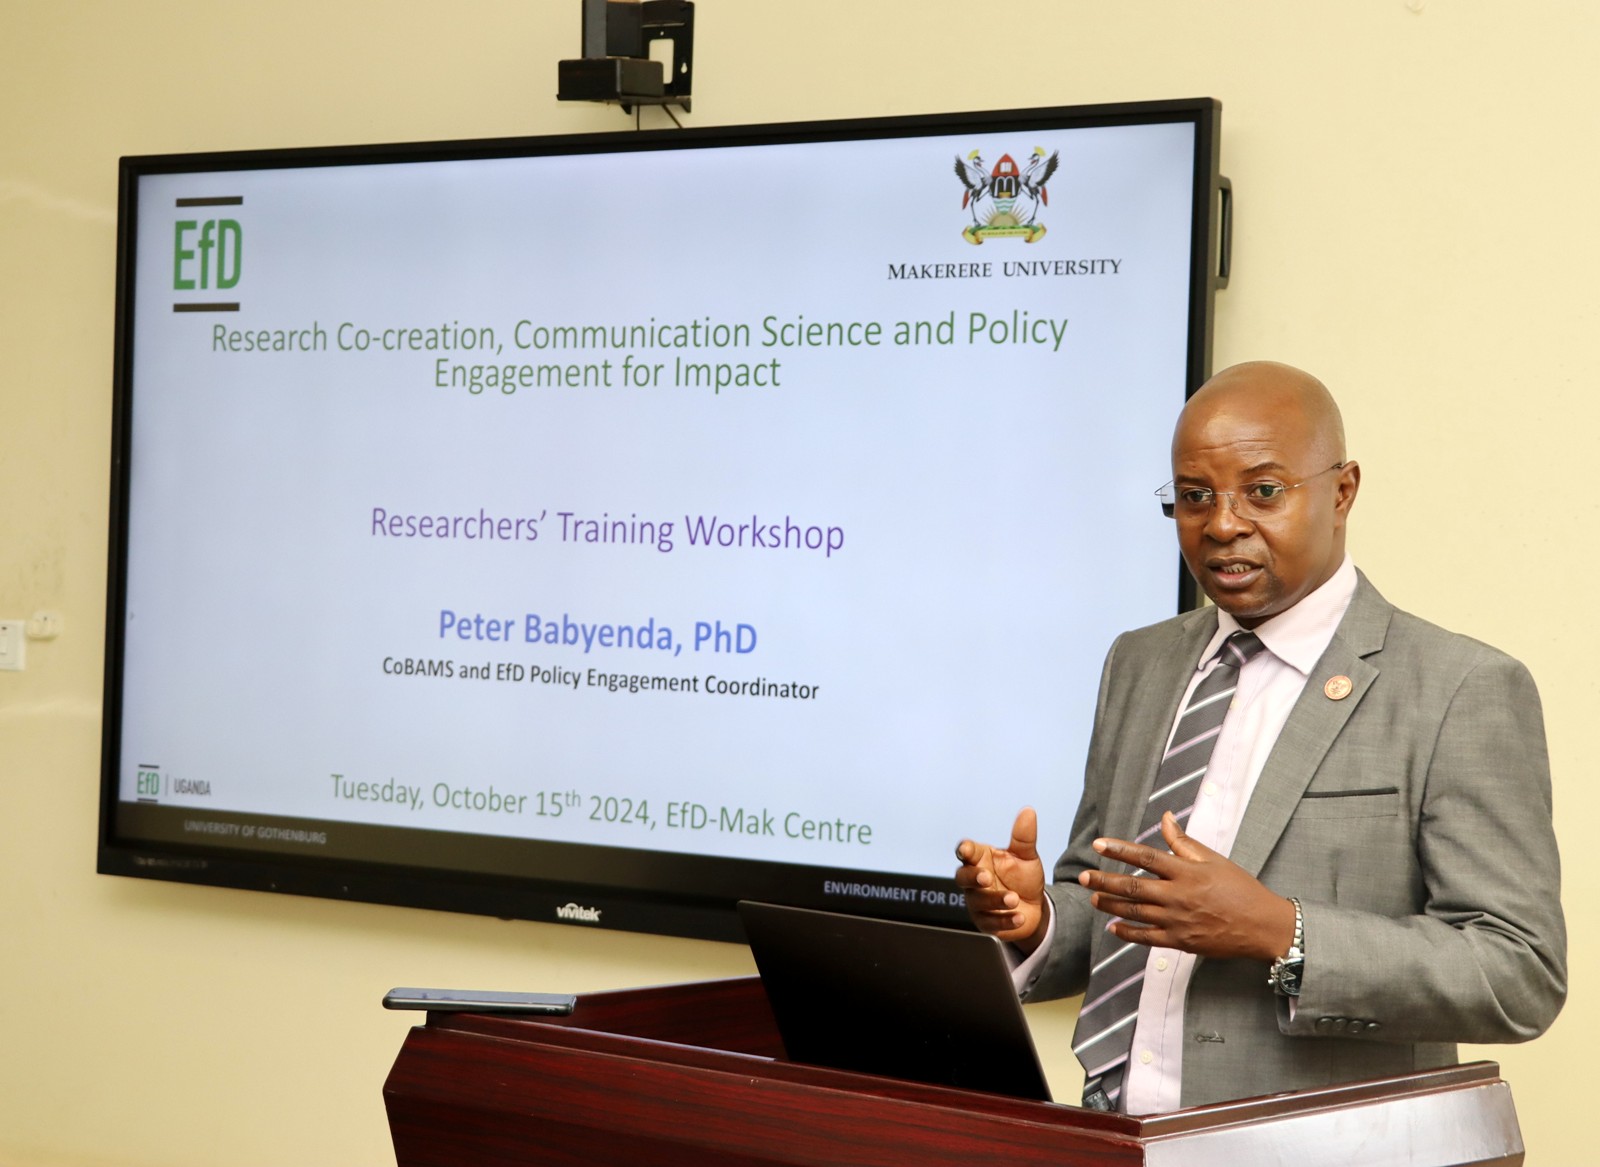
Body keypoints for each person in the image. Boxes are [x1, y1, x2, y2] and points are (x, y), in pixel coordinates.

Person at [955, 361, 1566, 1113]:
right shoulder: (1139, 662)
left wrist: (1283, 930)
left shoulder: (1458, 687)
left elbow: (1519, 972)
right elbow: (1117, 901)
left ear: (1342, 492)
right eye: (1194, 497)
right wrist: (1040, 919)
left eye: (1264, 491)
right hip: (1114, 1136)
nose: (1222, 523)